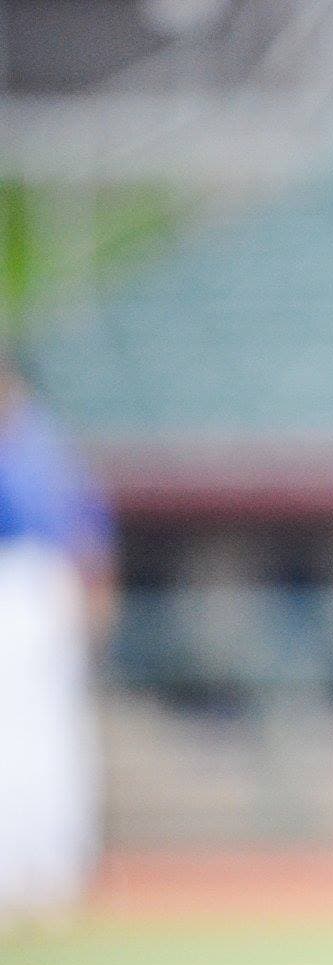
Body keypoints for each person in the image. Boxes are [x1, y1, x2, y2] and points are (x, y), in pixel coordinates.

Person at [0, 357, 116, 924]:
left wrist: (95, 594)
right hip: (35, 587)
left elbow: (87, 531)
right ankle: (28, 868)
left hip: (32, 586)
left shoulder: (39, 446)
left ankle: (49, 868)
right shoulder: (48, 445)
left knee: (43, 732)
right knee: (27, 733)